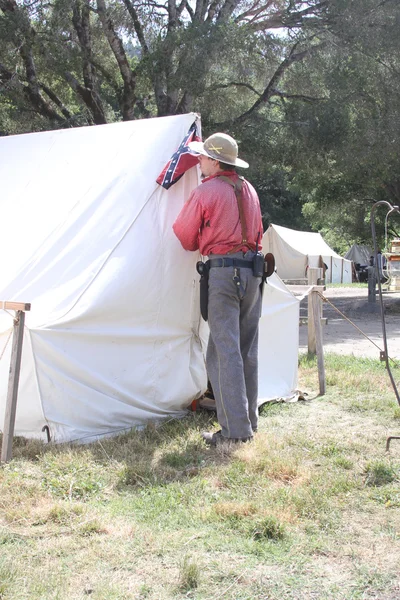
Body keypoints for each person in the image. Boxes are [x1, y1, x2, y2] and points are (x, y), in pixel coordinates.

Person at [172, 132, 264, 446]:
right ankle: (248, 423)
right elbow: (258, 234)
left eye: (202, 157)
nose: (199, 162)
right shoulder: (249, 189)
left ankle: (235, 433)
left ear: (214, 160)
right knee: (246, 351)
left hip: (224, 274)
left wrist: (208, 239)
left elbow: (185, 237)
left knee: (224, 353)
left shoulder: (206, 190)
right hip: (253, 274)